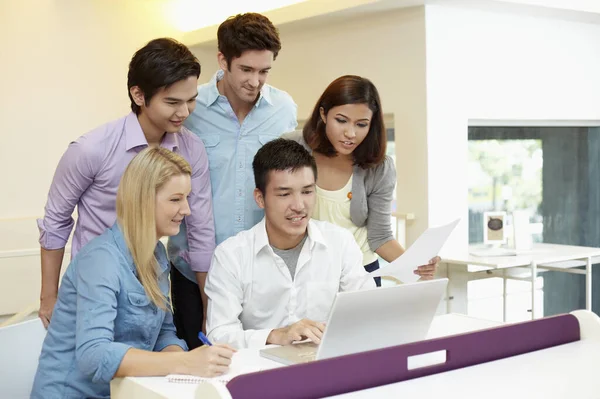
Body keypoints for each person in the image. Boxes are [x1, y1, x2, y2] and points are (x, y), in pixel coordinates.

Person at [37, 38, 215, 352]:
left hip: (149, 288)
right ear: (138, 94)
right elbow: (55, 222)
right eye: (172, 102)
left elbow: (200, 228)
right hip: (94, 288)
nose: (184, 112)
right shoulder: (91, 149)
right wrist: (48, 298)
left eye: (191, 100)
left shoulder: (191, 148)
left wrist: (207, 304)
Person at [31, 148, 235, 399]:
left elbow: (163, 333)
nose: (187, 210)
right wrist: (184, 363)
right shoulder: (101, 261)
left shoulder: (158, 254)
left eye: (187, 198)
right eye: (175, 199)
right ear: (143, 200)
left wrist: (185, 361)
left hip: (127, 392)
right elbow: (93, 356)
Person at [173, 12, 297, 347]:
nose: (255, 81)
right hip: (194, 269)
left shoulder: (283, 108)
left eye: (264, 71)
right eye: (246, 69)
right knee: (198, 368)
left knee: (261, 366)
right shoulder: (190, 108)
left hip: (261, 271)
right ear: (223, 60)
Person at [204, 139, 375, 349]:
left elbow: (368, 309)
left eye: (307, 191)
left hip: (324, 366)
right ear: (260, 198)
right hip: (258, 371)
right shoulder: (231, 255)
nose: (299, 206)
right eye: (284, 194)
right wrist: (276, 335)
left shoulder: (340, 242)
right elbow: (219, 333)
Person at [284, 75, 439, 285]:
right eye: (341, 120)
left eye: (362, 124)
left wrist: (415, 263)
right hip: (304, 272)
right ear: (323, 113)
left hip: (360, 273)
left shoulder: (379, 167)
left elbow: (380, 236)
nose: (351, 133)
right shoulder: (290, 147)